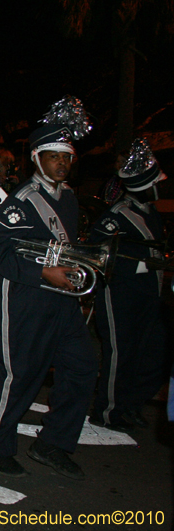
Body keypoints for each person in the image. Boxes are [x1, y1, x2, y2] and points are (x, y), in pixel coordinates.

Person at [0, 96, 98, 480]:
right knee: (22, 375)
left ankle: (53, 443)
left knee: (82, 368)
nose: (62, 163)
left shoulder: (70, 198)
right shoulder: (21, 202)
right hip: (25, 299)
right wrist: (45, 273)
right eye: (54, 156)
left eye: (67, 156)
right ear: (36, 158)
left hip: (63, 301)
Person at [88, 138, 168, 431]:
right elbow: (97, 252)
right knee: (120, 354)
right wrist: (142, 265)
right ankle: (108, 411)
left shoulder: (151, 213)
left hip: (148, 295)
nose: (160, 187)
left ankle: (131, 404)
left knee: (152, 354)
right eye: (155, 183)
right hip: (120, 294)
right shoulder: (117, 215)